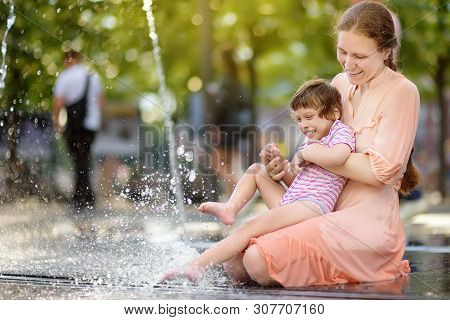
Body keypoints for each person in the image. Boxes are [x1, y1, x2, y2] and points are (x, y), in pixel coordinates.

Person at [240, 1, 420, 287]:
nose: (348, 64)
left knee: (256, 261)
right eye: (343, 52)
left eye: (360, 55)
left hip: (365, 226)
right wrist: (286, 170)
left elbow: (381, 172)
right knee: (235, 260)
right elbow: (312, 166)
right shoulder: (339, 83)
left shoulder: (402, 91)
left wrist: (316, 154)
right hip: (322, 207)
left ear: (386, 51)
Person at [162, 79, 356, 282]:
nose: (304, 124)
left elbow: (339, 157)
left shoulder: (339, 131)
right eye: (298, 120)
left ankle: (195, 266)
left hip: (313, 207)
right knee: (257, 170)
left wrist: (306, 154)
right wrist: (278, 165)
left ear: (334, 113)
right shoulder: (312, 140)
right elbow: (299, 178)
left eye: (309, 117)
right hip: (295, 200)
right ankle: (230, 208)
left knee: (250, 227)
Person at [52, 50, 104, 211]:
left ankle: (80, 197)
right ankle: (87, 196)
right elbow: (101, 101)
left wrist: (57, 123)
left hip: (74, 125)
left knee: (77, 159)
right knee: (85, 157)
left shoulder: (65, 77)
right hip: (91, 125)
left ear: (68, 60)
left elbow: (59, 102)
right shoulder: (93, 77)